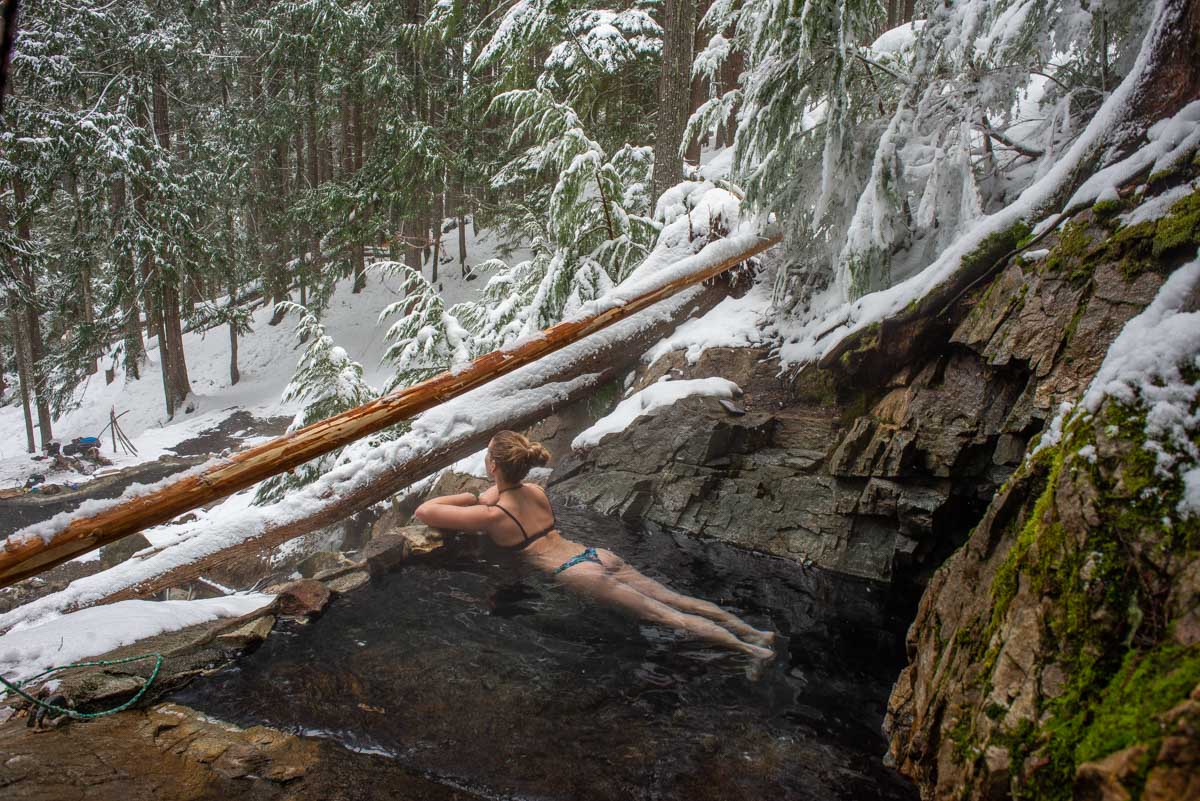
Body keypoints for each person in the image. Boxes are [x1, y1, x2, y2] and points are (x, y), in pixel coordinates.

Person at [414, 431, 776, 663]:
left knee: (667, 617)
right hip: (595, 554)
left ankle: (750, 651)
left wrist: (467, 496)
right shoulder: (535, 490)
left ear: (493, 467)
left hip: (576, 572)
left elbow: (425, 511)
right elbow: (499, 490)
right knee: (676, 600)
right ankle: (754, 632)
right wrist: (487, 490)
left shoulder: (494, 515)